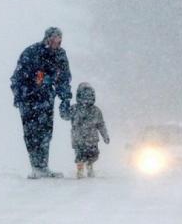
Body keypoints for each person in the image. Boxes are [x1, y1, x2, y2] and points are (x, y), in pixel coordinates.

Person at [10, 27, 72, 179]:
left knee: (46, 132)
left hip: (46, 99)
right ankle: (36, 167)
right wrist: (22, 94)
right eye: (54, 40)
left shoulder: (60, 56)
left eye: (59, 40)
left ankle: (43, 166)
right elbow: (17, 77)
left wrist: (65, 99)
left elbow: (64, 79)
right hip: (29, 99)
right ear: (47, 39)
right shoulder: (31, 53)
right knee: (31, 133)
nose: (56, 43)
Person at [60, 82, 110, 179]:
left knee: (93, 155)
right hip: (78, 139)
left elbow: (101, 124)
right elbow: (65, 116)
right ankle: (80, 170)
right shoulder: (74, 109)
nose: (86, 99)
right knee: (80, 156)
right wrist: (64, 104)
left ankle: (90, 166)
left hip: (92, 139)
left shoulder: (96, 111)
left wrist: (105, 136)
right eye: (84, 96)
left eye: (89, 96)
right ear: (79, 96)